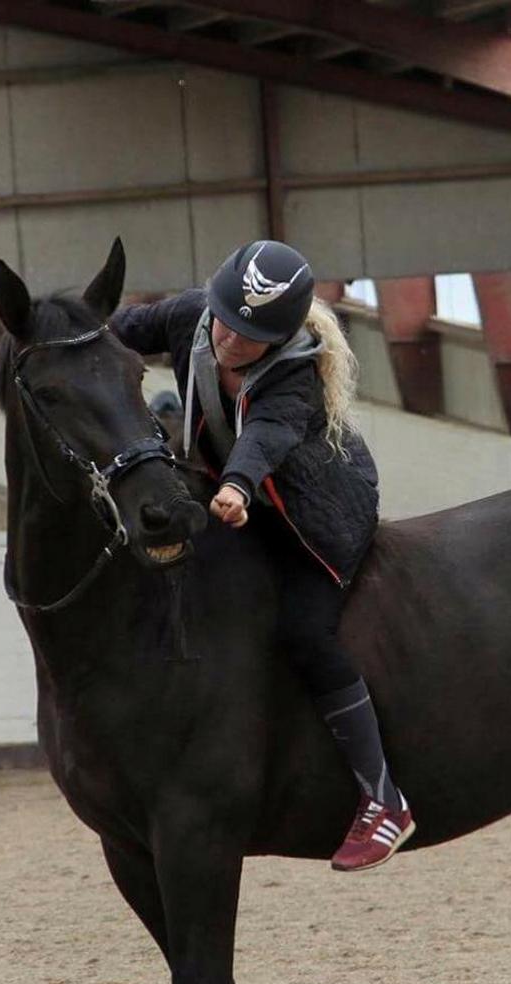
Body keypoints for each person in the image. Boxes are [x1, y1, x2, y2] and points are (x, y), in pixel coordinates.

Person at [110, 240, 414, 871]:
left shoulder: (298, 372)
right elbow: (120, 330)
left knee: (305, 630)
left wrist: (235, 487)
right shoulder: (194, 314)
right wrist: (63, 334)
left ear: (279, 340)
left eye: (250, 336)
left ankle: (384, 799)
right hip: (229, 495)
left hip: (313, 515)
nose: (229, 340)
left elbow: (264, 438)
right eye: (226, 319)